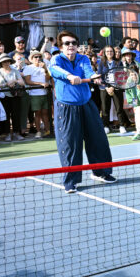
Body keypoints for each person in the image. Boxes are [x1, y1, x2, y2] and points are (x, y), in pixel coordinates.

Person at [48, 30, 116, 193]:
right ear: (60, 46)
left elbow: (88, 72)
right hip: (66, 107)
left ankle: (102, 172)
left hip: (87, 104)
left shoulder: (83, 58)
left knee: (98, 140)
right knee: (70, 144)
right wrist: (70, 76)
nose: (71, 46)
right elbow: (54, 70)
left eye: (73, 43)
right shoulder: (56, 59)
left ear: (77, 46)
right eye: (67, 43)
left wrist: (94, 77)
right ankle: (71, 180)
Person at [98, 45, 130, 134]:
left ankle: (122, 126)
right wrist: (107, 87)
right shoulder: (101, 63)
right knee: (105, 108)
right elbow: (100, 76)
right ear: (104, 53)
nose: (109, 53)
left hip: (116, 88)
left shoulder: (118, 62)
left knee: (119, 107)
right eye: (107, 51)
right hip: (104, 88)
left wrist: (113, 86)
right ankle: (106, 126)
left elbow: (120, 75)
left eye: (111, 51)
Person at [0, 54, 25, 141]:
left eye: (7, 61)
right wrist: (6, 84)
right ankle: (6, 133)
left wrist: (14, 81)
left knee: (16, 115)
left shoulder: (15, 71)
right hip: (4, 97)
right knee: (5, 115)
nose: (6, 63)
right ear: (1, 63)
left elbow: (22, 83)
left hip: (15, 95)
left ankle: (16, 133)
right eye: (4, 62)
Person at [23, 50, 52, 138]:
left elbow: (48, 78)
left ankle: (48, 131)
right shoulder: (28, 68)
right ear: (31, 59)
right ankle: (38, 131)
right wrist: (40, 83)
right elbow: (28, 81)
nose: (38, 58)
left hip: (44, 93)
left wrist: (45, 69)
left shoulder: (44, 66)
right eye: (36, 57)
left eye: (39, 57)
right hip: (34, 94)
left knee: (45, 113)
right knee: (37, 113)